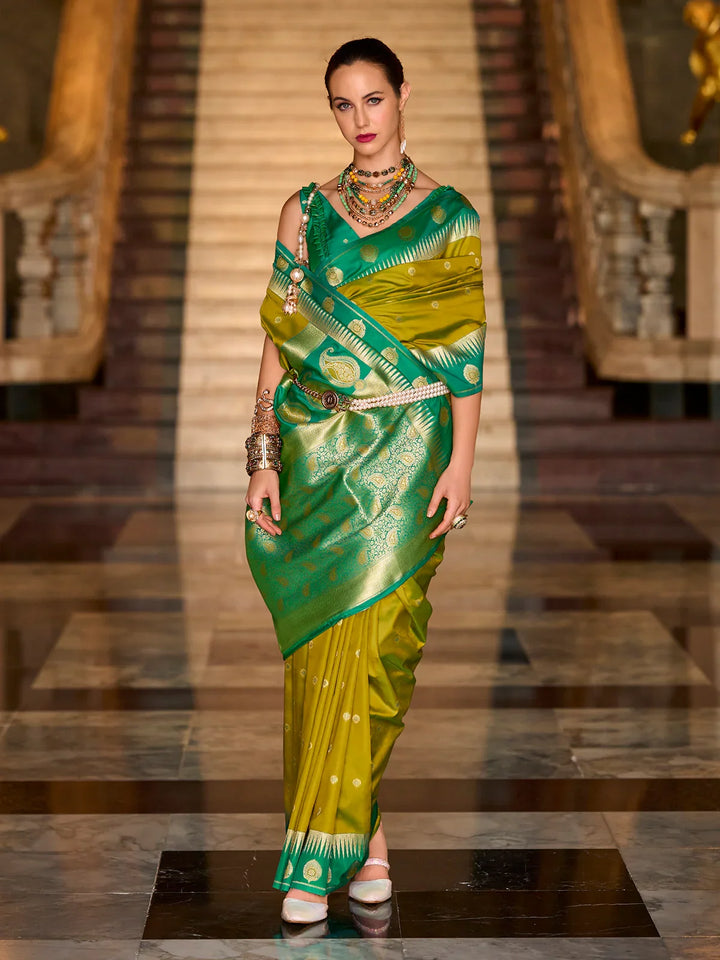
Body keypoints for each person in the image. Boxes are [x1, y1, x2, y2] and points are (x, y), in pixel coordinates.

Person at [244, 37, 486, 925]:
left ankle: (320, 859)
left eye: (373, 100)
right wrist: (264, 454)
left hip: (409, 450)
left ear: (402, 95)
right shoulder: (303, 213)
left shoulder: (449, 216)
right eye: (343, 105)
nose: (360, 121)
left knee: (380, 650)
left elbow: (465, 353)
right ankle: (364, 843)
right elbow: (279, 341)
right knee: (323, 658)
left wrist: (461, 462)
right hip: (316, 452)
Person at [681, 0, 720, 144]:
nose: (696, 22)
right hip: (715, 79)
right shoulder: (702, 41)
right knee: (705, 92)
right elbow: (699, 63)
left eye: (696, 17)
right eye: (692, 20)